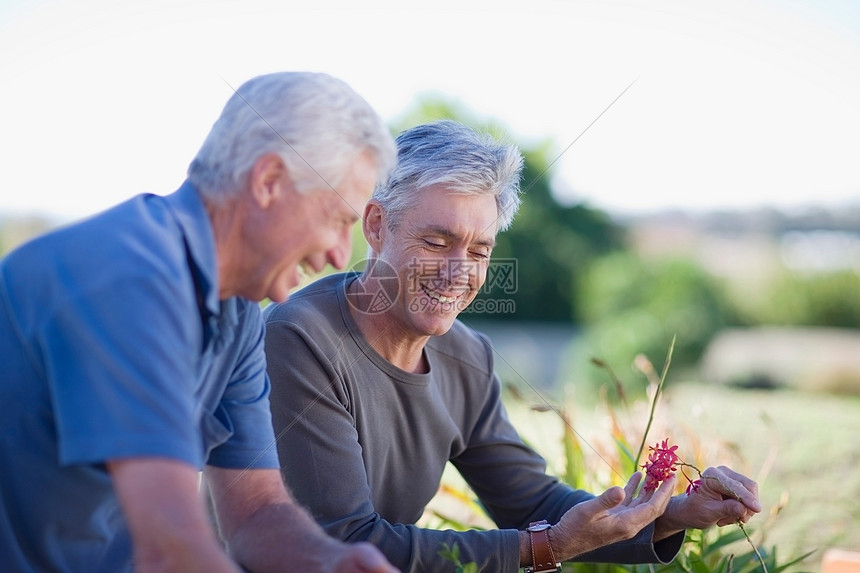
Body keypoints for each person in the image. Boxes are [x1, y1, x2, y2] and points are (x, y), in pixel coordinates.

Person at [263, 120, 762, 572]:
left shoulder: (468, 356)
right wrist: (545, 548)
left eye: (479, 250)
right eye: (436, 242)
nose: (460, 272)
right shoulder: (298, 339)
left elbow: (530, 502)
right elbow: (344, 542)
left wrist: (672, 513)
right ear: (375, 226)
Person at [0, 71, 400, 573]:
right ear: (269, 182)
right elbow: (170, 550)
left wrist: (330, 561)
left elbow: (255, 512)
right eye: (338, 220)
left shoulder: (237, 311)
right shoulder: (128, 278)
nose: (341, 255)